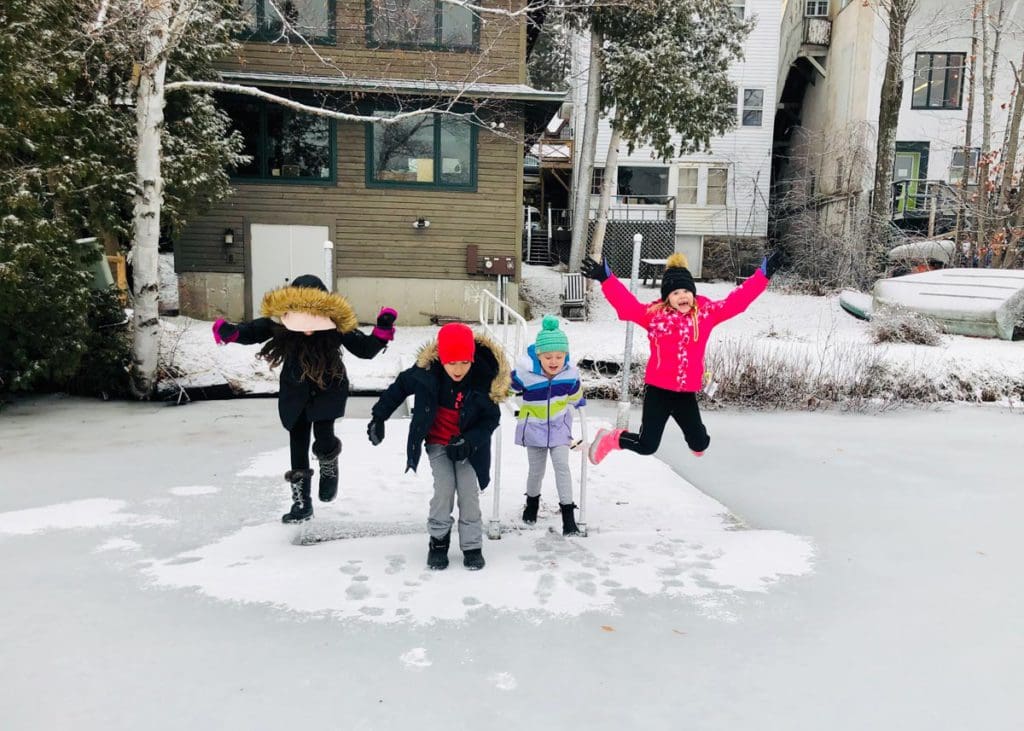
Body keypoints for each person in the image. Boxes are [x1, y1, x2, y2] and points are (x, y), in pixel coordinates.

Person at [212, 274, 396, 523]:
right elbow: (254, 331)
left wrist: (383, 328)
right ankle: (301, 502)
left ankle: (328, 464)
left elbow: (364, 349)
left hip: (328, 385)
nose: (308, 328)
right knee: (297, 440)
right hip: (294, 389)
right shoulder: (282, 322)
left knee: (323, 433)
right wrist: (231, 332)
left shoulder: (335, 325)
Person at [580, 251, 778, 464]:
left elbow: (737, 302)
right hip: (658, 391)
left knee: (700, 444)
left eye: (686, 291)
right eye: (675, 293)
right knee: (647, 446)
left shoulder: (705, 314)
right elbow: (627, 306)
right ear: (667, 297)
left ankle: (693, 433)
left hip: (685, 393)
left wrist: (762, 276)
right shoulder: (655, 316)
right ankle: (611, 439)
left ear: (693, 292)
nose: (682, 296)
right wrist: (606, 279)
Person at [367, 323, 510, 571]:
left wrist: (470, 441)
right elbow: (399, 388)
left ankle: (472, 545)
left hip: (469, 447)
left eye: (465, 362)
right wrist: (379, 417)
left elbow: (491, 418)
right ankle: (439, 541)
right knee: (444, 489)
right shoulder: (426, 373)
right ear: (441, 358)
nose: (458, 369)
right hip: (438, 443)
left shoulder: (482, 379)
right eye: (452, 362)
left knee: (468, 494)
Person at [509, 315, 585, 535]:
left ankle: (568, 516)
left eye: (559, 356)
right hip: (534, 429)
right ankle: (532, 504)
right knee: (536, 471)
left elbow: (576, 395)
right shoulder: (527, 375)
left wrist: (579, 399)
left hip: (560, 428)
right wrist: (499, 390)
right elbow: (506, 387)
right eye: (548, 356)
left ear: (566, 356)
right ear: (539, 356)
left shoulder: (570, 375)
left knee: (562, 468)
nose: (554, 361)